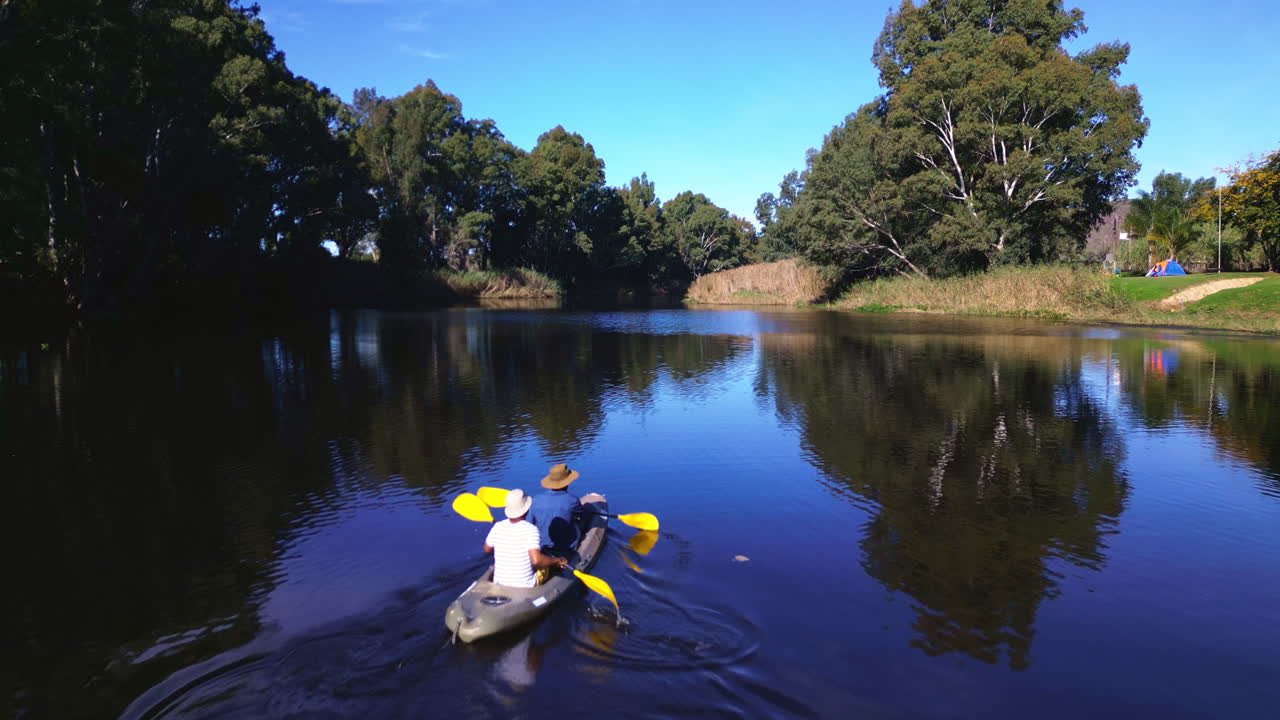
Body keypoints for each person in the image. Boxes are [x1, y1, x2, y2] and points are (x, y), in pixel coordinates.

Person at [483, 489, 568, 588]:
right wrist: (557, 561)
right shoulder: (531, 529)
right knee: (547, 565)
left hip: (499, 582)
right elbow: (537, 560)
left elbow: (487, 549)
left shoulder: (498, 526)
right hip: (526, 585)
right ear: (527, 509)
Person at [526, 463, 582, 554]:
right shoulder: (573, 500)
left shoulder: (535, 500)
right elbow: (581, 514)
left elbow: (529, 522)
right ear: (567, 482)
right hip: (566, 546)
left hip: (541, 545)